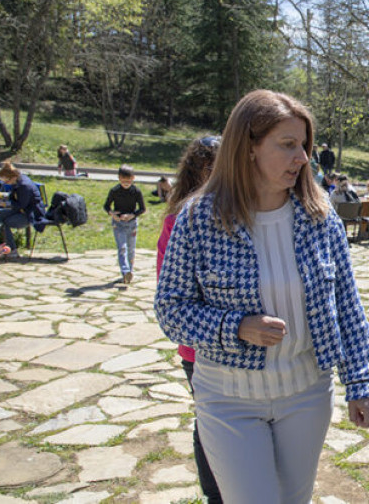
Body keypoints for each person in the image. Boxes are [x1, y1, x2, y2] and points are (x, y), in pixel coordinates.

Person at [155, 90, 369, 503]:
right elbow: (171, 309)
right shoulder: (199, 217)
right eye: (288, 145)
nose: (303, 158)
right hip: (227, 398)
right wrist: (235, 327)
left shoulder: (320, 215)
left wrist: (359, 381)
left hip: (306, 396)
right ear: (250, 146)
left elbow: (347, 305)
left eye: (305, 146)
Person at [155, 135, 222, 504]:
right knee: (209, 422)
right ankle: (215, 494)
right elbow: (170, 295)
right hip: (199, 350)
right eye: (213, 169)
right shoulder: (179, 221)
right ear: (196, 173)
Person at [0, 161, 45, 258]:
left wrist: (1, 203)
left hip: (29, 215)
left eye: (6, 182)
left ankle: (2, 246)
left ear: (13, 177)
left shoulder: (24, 186)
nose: (6, 184)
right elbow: (12, 197)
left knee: (4, 221)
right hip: (21, 211)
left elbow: (20, 205)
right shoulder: (18, 181)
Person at [103, 165, 146, 283]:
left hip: (132, 224)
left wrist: (132, 215)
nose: (126, 183)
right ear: (119, 178)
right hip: (119, 224)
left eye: (128, 180)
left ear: (133, 178)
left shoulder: (136, 191)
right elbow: (106, 206)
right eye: (123, 180)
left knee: (131, 249)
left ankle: (129, 272)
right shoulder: (114, 191)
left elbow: (142, 208)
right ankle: (125, 271)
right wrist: (112, 214)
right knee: (122, 248)